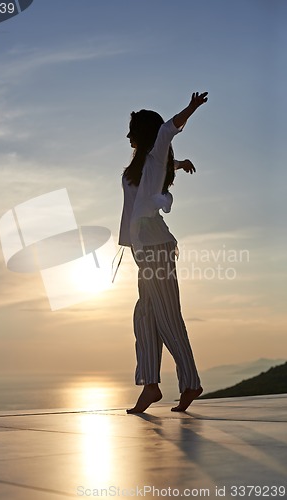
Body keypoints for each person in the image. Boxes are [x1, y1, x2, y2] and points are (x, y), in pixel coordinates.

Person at [118, 92, 208, 413]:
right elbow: (158, 171)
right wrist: (178, 164)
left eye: (132, 130)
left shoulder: (156, 154)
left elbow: (168, 130)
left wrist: (191, 108)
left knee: (167, 315)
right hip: (143, 251)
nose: (128, 135)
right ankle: (151, 386)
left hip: (156, 247)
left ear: (144, 133)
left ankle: (190, 383)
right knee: (145, 316)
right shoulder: (148, 163)